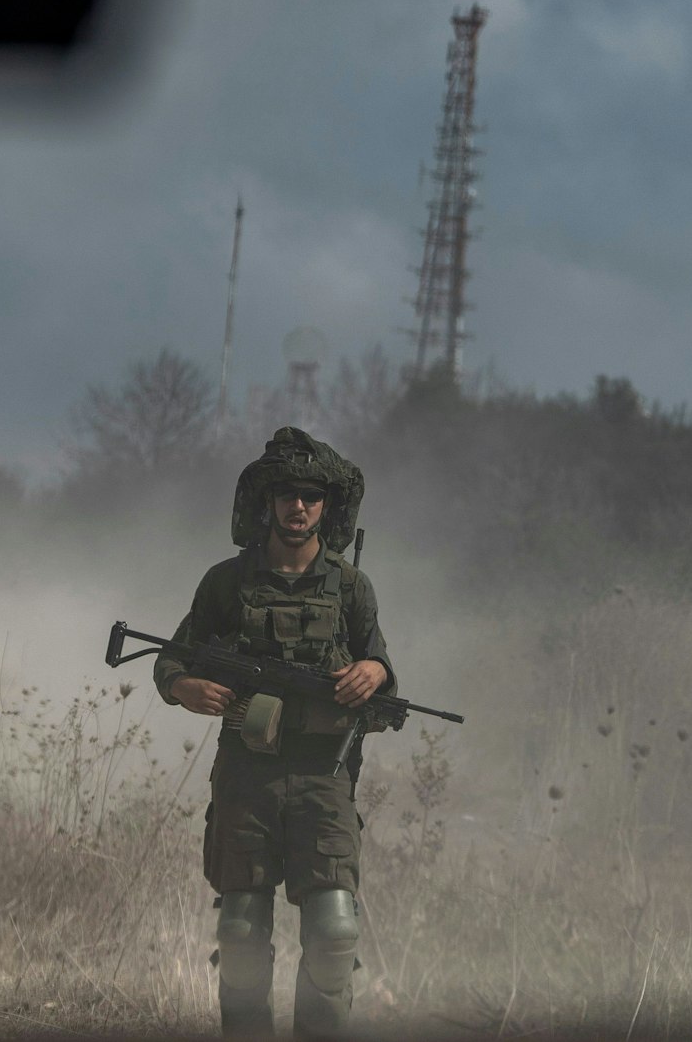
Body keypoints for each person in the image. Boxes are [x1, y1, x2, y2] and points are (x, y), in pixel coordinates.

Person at [155, 427, 394, 1039]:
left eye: (312, 496)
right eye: (288, 494)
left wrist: (374, 672)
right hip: (247, 773)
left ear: (328, 507)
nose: (299, 507)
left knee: (334, 932)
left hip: (324, 776)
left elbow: (384, 677)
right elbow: (171, 659)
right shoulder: (226, 582)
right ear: (268, 501)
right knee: (239, 931)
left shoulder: (352, 588)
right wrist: (186, 688)